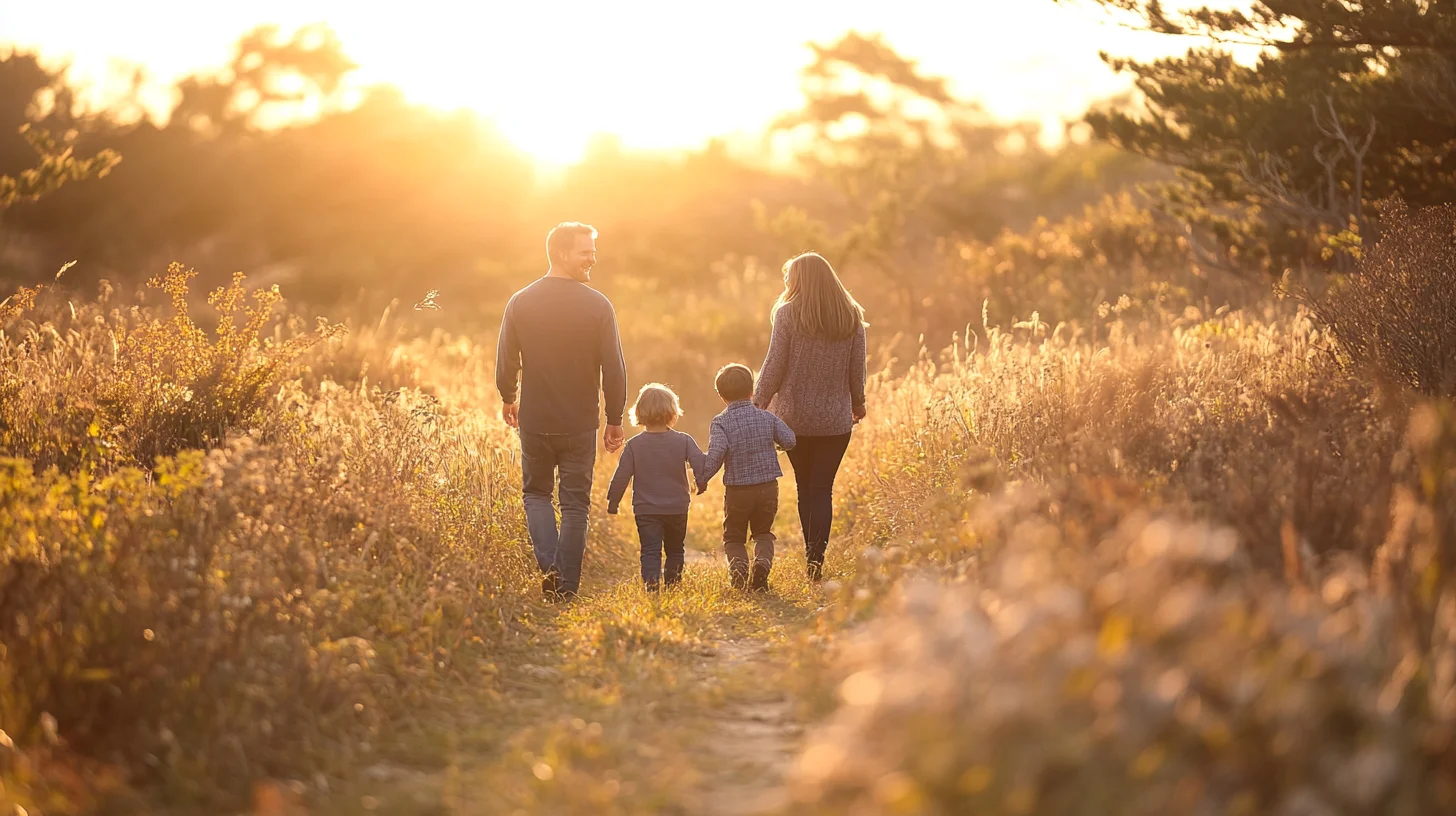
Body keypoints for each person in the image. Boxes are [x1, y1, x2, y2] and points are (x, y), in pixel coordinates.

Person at [496, 221, 626, 600]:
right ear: (561, 253)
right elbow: (614, 368)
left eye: (593, 251)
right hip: (578, 423)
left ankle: (551, 568)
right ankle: (565, 585)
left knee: (536, 495)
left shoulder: (520, 301)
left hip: (535, 420)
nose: (593, 258)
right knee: (574, 505)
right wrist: (614, 418)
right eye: (586, 252)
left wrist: (508, 395)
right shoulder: (598, 305)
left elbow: (506, 359)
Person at [752, 252, 867, 582]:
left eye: (789, 277)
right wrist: (858, 404)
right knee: (823, 490)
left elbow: (774, 365)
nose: (786, 284)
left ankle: (812, 562)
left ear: (801, 280)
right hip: (835, 422)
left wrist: (758, 402)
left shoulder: (787, 315)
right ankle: (817, 561)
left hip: (794, 420)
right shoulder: (851, 317)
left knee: (806, 490)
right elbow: (856, 370)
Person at [698, 363, 796, 591]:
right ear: (752, 391)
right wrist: (775, 445)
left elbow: (716, 454)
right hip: (768, 487)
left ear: (722, 396)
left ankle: (739, 570)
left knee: (733, 537)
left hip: (738, 491)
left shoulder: (721, 422)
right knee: (763, 533)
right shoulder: (766, 418)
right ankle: (762, 563)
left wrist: (703, 478)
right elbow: (790, 440)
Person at [605, 383, 707, 591]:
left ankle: (651, 586)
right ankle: (672, 585)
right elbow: (700, 463)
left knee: (650, 550)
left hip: (646, 509)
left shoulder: (634, 445)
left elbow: (621, 475)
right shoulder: (684, 441)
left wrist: (613, 501)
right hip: (677, 508)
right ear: (672, 412)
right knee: (675, 549)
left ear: (640, 412)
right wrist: (701, 482)